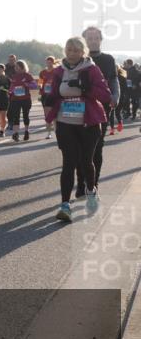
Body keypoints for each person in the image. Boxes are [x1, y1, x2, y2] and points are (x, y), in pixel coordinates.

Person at [42, 36, 111, 222]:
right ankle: (65, 205)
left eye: (76, 50)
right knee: (68, 163)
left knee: (86, 162)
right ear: (65, 51)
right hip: (65, 122)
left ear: (83, 52)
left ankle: (91, 191)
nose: (72, 54)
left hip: (88, 122)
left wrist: (85, 88)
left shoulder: (91, 69)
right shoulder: (58, 71)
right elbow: (53, 93)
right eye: (69, 50)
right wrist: (49, 98)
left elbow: (105, 95)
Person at [78, 26, 119, 195]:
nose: (93, 41)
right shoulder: (78, 58)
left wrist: (115, 96)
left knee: (97, 148)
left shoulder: (108, 59)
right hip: (79, 109)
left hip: (101, 108)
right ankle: (81, 184)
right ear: (84, 40)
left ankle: (93, 185)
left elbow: (114, 79)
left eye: (96, 38)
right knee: (80, 149)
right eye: (89, 38)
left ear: (101, 40)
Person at [6, 60, 36, 142]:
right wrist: (10, 92)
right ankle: (16, 133)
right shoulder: (14, 76)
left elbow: (34, 85)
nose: (16, 68)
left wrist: (27, 84)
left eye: (17, 67)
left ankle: (26, 131)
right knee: (16, 116)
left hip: (25, 99)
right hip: (15, 99)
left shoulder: (28, 76)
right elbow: (12, 86)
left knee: (26, 115)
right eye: (15, 67)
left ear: (23, 67)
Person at [38, 56, 57, 139]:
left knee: (56, 114)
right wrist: (40, 85)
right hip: (45, 95)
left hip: (55, 95)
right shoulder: (42, 72)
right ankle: (49, 132)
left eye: (51, 62)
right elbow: (40, 82)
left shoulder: (56, 71)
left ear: (53, 62)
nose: (49, 63)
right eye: (47, 62)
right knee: (47, 114)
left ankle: (56, 131)